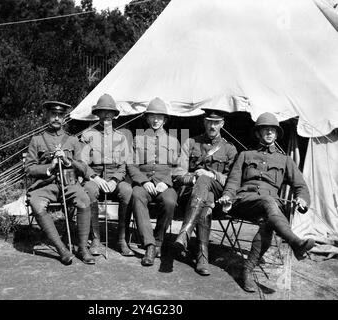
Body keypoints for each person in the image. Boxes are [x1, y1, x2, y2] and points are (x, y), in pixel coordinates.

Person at [218, 112, 315, 292]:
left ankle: (247, 270)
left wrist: (302, 199)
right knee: (269, 203)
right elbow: (232, 181)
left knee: (267, 221)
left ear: (277, 134)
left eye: (273, 130)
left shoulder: (285, 160)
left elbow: (300, 185)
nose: (269, 133)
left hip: (267, 208)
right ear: (258, 133)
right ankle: (295, 242)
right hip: (244, 202)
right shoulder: (245, 155)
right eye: (265, 130)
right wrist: (227, 196)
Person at [25, 101, 95, 265]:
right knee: (36, 203)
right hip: (46, 184)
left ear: (64, 118)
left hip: (69, 182)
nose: (56, 118)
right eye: (53, 114)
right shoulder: (37, 140)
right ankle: (62, 249)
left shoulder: (72, 140)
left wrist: (67, 160)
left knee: (84, 199)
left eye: (60, 115)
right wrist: (50, 167)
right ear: (47, 116)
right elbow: (29, 168)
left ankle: (83, 248)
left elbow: (83, 168)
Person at [173, 110, 238, 275]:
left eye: (216, 123)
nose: (212, 126)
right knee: (205, 194)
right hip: (191, 194)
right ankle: (202, 256)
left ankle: (185, 232)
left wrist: (212, 175)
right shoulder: (191, 142)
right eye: (209, 122)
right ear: (204, 122)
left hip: (218, 197)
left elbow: (233, 180)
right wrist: (195, 176)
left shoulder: (229, 149)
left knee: (207, 186)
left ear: (222, 124)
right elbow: (178, 174)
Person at [128, 97, 180, 266]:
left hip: (165, 183)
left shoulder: (173, 141)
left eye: (159, 117)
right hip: (144, 183)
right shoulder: (138, 139)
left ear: (165, 119)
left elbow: (178, 167)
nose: (156, 120)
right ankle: (149, 245)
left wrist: (166, 181)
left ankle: (158, 240)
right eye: (152, 116)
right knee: (136, 196)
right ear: (147, 118)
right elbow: (132, 165)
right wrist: (143, 182)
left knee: (170, 201)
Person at [81, 94, 134, 257]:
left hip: (114, 179)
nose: (106, 116)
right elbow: (82, 163)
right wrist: (94, 178)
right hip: (94, 178)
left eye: (110, 113)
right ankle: (95, 238)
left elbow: (124, 164)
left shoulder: (121, 137)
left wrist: (115, 180)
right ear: (97, 114)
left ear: (114, 115)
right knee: (89, 190)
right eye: (102, 112)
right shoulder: (87, 135)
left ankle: (121, 239)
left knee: (127, 191)